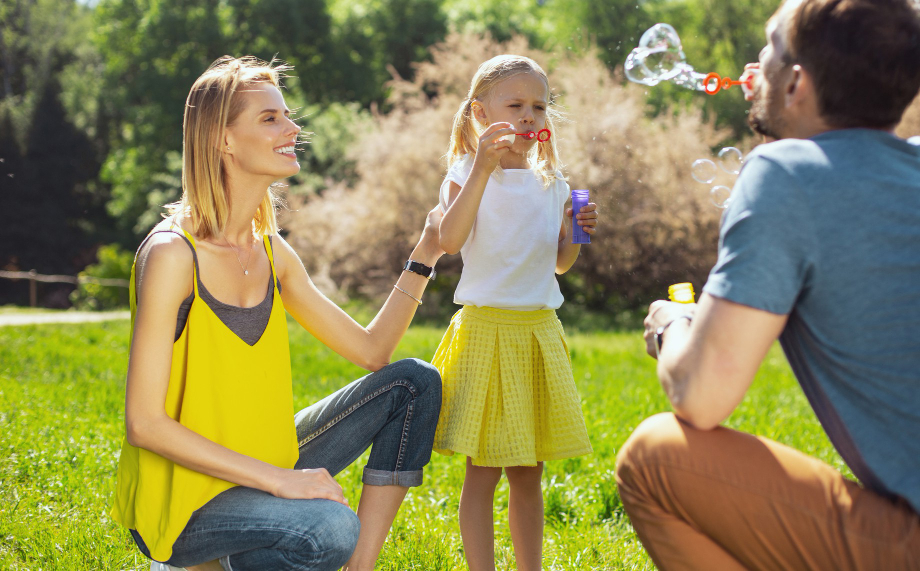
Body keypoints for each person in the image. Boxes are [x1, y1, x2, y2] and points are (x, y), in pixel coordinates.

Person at [615, 0, 920, 571]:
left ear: (796, 84)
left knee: (656, 458)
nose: (755, 65)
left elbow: (700, 397)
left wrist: (670, 327)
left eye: (770, 48)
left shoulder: (780, 176)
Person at [110, 56, 444, 571]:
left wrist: (427, 251)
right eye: (270, 119)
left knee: (413, 383)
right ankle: (206, 563)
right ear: (223, 140)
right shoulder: (172, 256)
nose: (292, 127)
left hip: (262, 468)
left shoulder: (271, 253)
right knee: (329, 527)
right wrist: (285, 482)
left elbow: (373, 352)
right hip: (186, 502)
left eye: (286, 115)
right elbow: (144, 424)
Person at [431, 55, 599, 571]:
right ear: (481, 114)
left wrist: (577, 230)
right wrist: (481, 167)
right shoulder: (465, 173)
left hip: (536, 333)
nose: (530, 117)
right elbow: (449, 240)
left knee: (529, 473)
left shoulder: (554, 182)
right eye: (516, 105)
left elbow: (561, 265)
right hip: (487, 331)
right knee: (482, 470)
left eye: (539, 106)